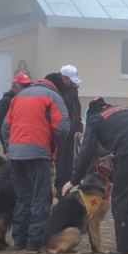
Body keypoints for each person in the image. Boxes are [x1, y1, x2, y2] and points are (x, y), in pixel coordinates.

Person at [62, 98, 128, 254]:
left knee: (121, 200)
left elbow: (86, 152)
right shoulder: (125, 109)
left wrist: (73, 181)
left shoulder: (95, 119)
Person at [2, 73, 70, 252]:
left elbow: (6, 127)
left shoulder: (19, 96)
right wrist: (54, 144)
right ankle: (35, 241)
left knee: (23, 197)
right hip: (39, 154)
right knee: (40, 197)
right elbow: (62, 127)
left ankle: (20, 240)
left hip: (16, 155)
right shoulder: (53, 97)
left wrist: (9, 148)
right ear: (57, 86)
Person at [53, 65, 83, 200]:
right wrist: (73, 92)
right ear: (64, 78)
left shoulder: (72, 91)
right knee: (59, 167)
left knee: (68, 167)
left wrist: (78, 128)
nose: (74, 83)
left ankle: (65, 193)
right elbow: (62, 104)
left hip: (71, 135)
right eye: (71, 80)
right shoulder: (57, 89)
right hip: (60, 135)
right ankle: (59, 191)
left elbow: (77, 110)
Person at [0, 73, 33, 154]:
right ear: (15, 86)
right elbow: (1, 127)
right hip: (13, 147)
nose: (28, 88)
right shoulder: (5, 102)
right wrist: (7, 148)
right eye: (25, 86)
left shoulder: (28, 100)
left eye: (29, 85)